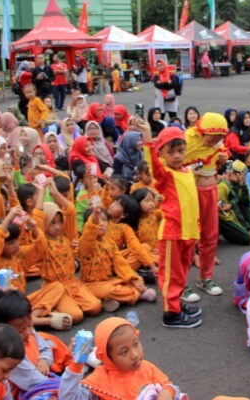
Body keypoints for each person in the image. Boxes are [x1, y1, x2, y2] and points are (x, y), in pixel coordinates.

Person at [140, 125, 203, 328]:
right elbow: (154, 167)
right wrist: (149, 140)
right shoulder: (165, 174)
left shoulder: (187, 171)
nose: (177, 156)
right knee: (171, 274)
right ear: (162, 154)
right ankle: (171, 313)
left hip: (187, 232)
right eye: (171, 152)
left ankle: (176, 303)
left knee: (182, 271)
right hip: (172, 232)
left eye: (180, 151)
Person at [59, 317, 187, 398]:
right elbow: (69, 397)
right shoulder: (100, 380)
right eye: (124, 352)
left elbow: (169, 386)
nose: (135, 354)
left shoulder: (146, 367)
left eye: (136, 344)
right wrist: (77, 364)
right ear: (107, 358)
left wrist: (166, 393)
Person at [184, 112, 230, 301]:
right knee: (187, 238)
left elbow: (223, 151)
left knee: (210, 236)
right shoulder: (186, 140)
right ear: (202, 132)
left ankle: (205, 277)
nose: (215, 142)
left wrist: (223, 157)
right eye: (212, 138)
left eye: (220, 138)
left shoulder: (217, 142)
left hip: (211, 191)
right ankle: (181, 284)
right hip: (190, 193)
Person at [217, 160, 250, 245]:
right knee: (246, 238)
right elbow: (222, 208)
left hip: (231, 215)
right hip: (223, 218)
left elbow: (246, 202)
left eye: (241, 174)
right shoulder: (222, 186)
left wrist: (243, 185)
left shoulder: (236, 184)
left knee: (245, 205)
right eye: (236, 173)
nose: (239, 176)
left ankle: (248, 228)